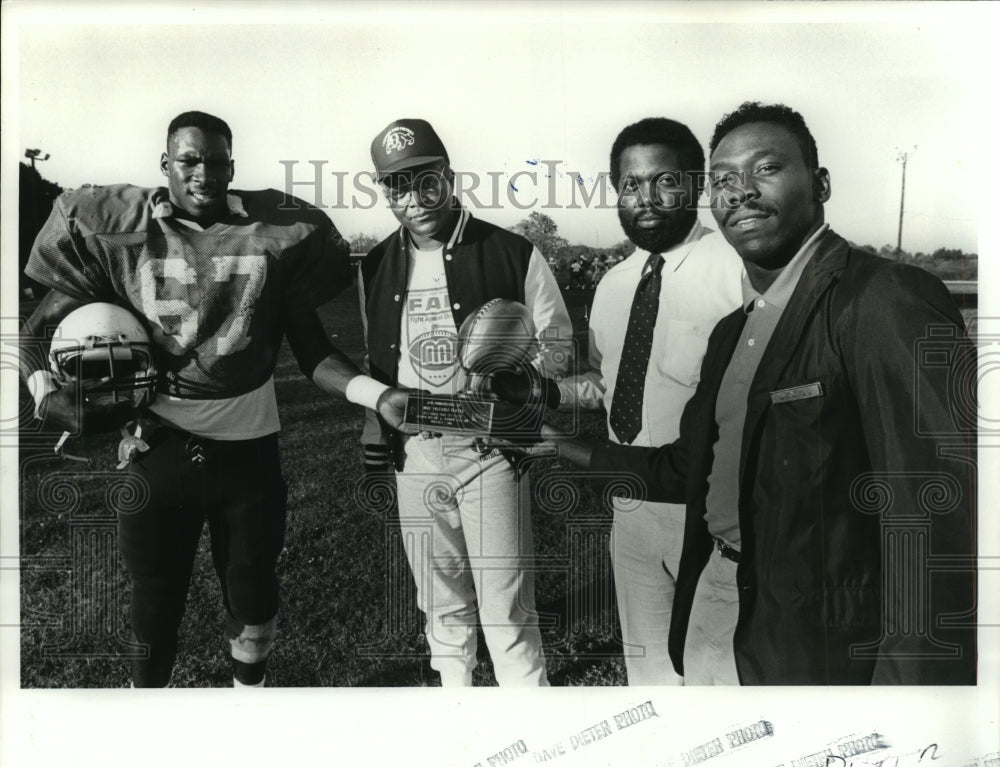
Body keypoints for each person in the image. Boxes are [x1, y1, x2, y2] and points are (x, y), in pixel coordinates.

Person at [499, 102, 976, 685]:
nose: (740, 192)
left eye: (766, 169)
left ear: (820, 184)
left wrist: (913, 694)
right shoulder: (675, 303)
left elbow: (936, 512)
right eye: (726, 179)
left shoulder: (860, 293)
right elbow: (663, 433)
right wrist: (553, 423)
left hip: (802, 593)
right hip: (683, 540)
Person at [20, 110, 412, 688]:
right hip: (158, 446)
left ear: (233, 165)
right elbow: (33, 333)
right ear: (165, 164)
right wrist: (44, 393)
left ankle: (245, 709)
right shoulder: (116, 229)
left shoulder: (277, 232)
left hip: (249, 447)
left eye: (218, 160)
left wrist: (377, 397)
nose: (204, 172)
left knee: (254, 596)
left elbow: (314, 351)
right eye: (189, 159)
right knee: (154, 601)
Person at [490, 118, 742, 685]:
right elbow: (610, 384)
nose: (646, 199)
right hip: (629, 504)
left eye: (665, 181)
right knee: (650, 684)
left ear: (697, 185)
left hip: (709, 511)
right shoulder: (614, 283)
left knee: (718, 689)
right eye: (631, 185)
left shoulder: (737, 272)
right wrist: (538, 390)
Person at [359, 118, 573, 687]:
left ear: (449, 177)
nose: (415, 198)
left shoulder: (510, 251)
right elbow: (377, 357)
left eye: (426, 180)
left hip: (490, 450)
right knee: (442, 608)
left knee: (506, 612)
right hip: (416, 452)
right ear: (384, 192)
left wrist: (516, 375)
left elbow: (559, 348)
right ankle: (458, 725)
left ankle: (531, 732)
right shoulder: (377, 264)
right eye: (397, 186)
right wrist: (374, 426)